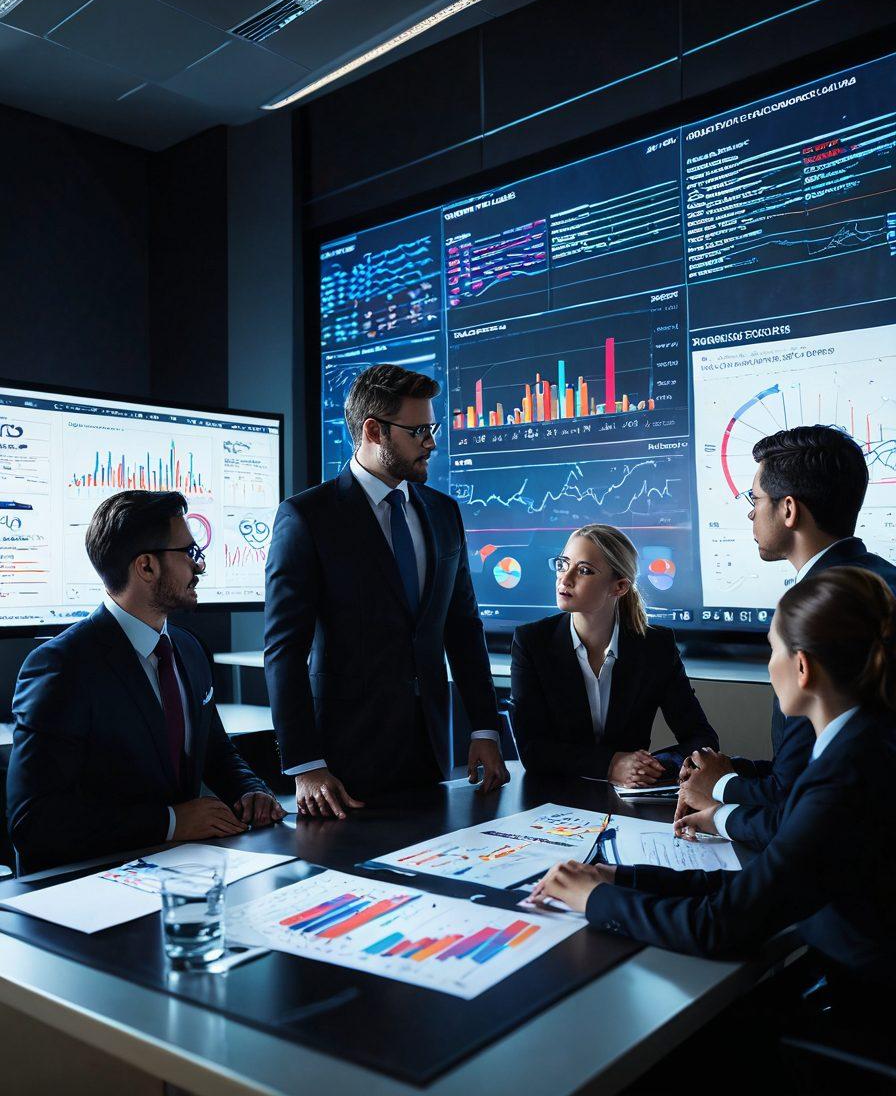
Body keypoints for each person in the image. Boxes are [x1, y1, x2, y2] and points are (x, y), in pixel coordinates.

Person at [526, 567, 896, 991]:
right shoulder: (864, 744)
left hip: (861, 1007)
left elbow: (717, 926)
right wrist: (623, 878)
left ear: (802, 667)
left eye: (771, 649)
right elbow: (756, 886)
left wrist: (593, 899)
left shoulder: (841, 777)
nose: (768, 664)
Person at [264, 364, 507, 818]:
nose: (431, 442)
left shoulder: (443, 512)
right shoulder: (307, 518)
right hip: (341, 767)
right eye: (418, 431)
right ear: (373, 431)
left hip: (431, 750)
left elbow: (463, 628)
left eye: (431, 427)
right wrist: (305, 765)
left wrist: (484, 730)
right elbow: (284, 650)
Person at [7, 491, 283, 874]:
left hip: (180, 871)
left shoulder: (188, 648)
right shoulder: (61, 666)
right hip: (94, 886)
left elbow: (216, 751)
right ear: (146, 567)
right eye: (188, 552)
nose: (199, 565)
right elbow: (33, 823)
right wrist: (171, 822)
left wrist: (251, 790)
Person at [680, 425, 896, 829]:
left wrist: (721, 788)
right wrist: (731, 772)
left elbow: (797, 793)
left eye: (755, 499)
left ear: (789, 510)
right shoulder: (877, 582)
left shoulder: (825, 609)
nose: (750, 511)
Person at [509, 524, 718, 784]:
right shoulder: (532, 642)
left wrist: (650, 767)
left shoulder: (656, 646)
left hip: (629, 800)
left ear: (619, 587)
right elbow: (533, 751)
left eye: (584, 570)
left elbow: (701, 738)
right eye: (563, 564)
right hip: (554, 797)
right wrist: (611, 765)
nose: (565, 578)